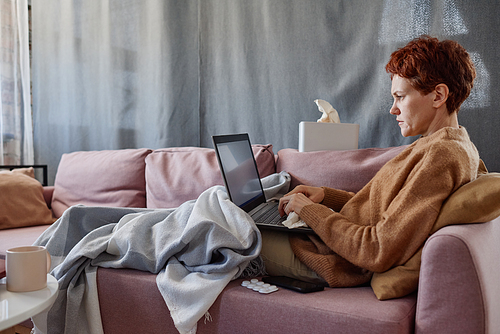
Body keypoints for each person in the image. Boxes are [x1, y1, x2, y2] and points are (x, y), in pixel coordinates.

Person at [259, 35, 481, 287]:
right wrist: (325, 196)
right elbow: (381, 211)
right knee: (225, 218)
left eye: (400, 97)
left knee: (220, 226)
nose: (393, 109)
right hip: (328, 244)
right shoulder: (444, 144)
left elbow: (377, 249)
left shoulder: (441, 156)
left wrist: (308, 211)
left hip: (331, 258)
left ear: (438, 95)